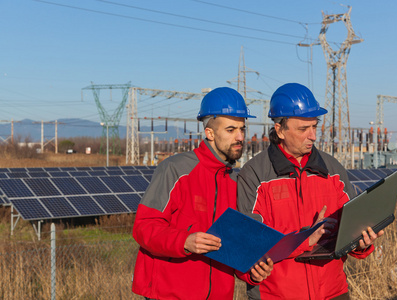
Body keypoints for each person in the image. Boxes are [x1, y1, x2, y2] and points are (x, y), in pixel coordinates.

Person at [237, 83, 383, 300]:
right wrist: (306, 238)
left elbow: (350, 229)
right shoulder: (254, 176)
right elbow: (249, 245)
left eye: (315, 127)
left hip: (334, 293)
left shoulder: (332, 170)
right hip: (276, 295)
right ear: (279, 130)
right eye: (303, 129)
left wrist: (361, 244)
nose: (313, 136)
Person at [132, 87, 273, 300]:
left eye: (242, 129)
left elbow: (233, 248)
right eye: (230, 130)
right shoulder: (176, 170)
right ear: (209, 133)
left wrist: (252, 271)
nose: (240, 137)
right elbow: (144, 227)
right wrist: (185, 241)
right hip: (169, 295)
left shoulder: (236, 182)